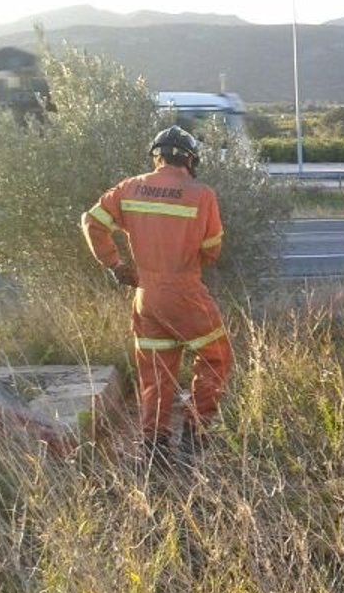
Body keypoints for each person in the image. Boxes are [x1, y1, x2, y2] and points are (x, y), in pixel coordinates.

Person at [81, 125, 232, 465]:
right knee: (216, 357)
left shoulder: (129, 188)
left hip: (145, 296)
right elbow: (211, 251)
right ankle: (195, 434)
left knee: (155, 374)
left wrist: (116, 265)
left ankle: (154, 447)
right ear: (190, 160)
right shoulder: (201, 194)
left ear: (156, 157)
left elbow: (91, 222)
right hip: (185, 292)